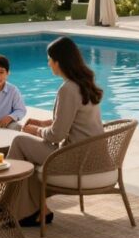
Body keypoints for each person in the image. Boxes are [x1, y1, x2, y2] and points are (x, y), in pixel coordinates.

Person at [7, 36, 104, 227]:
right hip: (94, 155)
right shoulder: (85, 83)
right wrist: (43, 123)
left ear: (58, 62)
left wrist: (35, 130)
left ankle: (9, 204)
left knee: (19, 142)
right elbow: (75, 120)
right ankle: (37, 210)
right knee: (27, 156)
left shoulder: (67, 89)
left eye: (49, 59)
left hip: (76, 158)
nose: (48, 63)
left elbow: (57, 135)